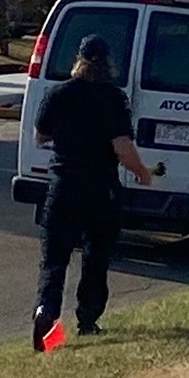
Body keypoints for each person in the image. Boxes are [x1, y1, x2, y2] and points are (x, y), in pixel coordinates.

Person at [32, 34, 153, 349]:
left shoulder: (58, 94)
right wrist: (142, 173)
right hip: (100, 189)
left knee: (54, 259)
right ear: (108, 63)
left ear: (78, 60)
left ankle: (46, 313)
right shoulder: (114, 98)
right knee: (96, 256)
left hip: (63, 186)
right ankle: (87, 320)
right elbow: (122, 147)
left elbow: (40, 135)